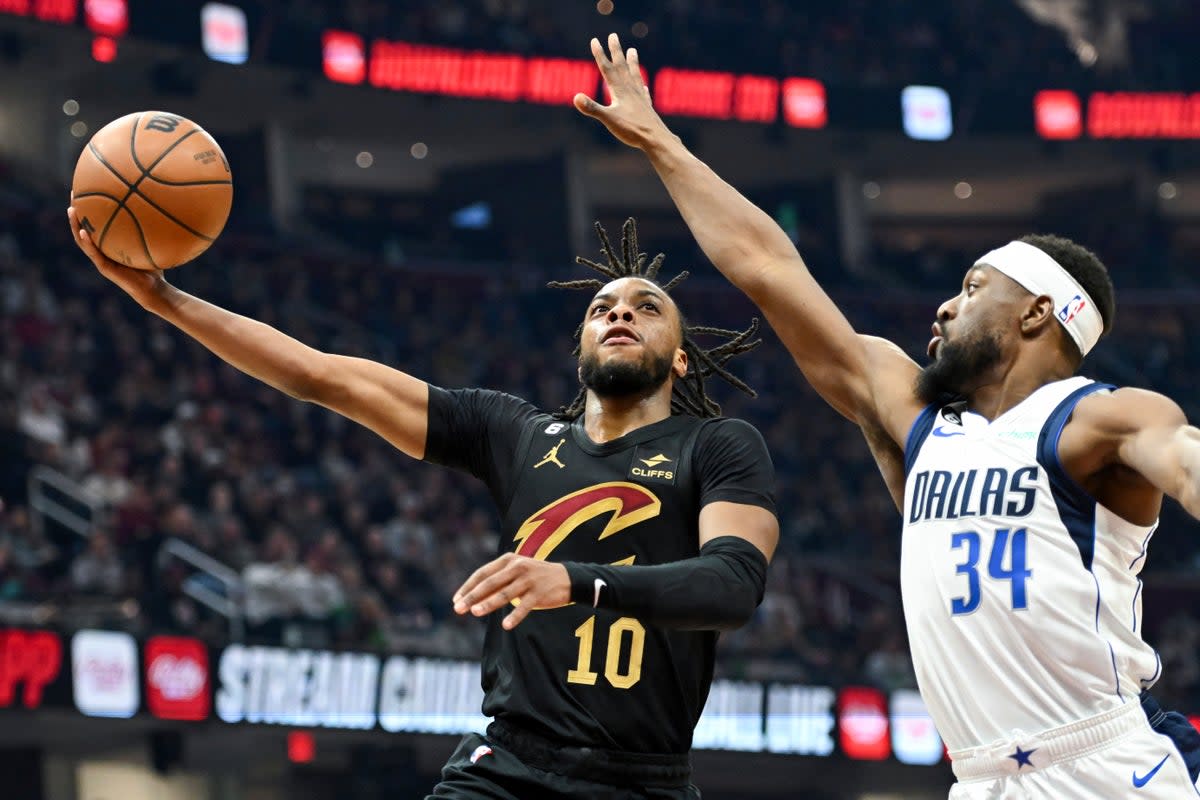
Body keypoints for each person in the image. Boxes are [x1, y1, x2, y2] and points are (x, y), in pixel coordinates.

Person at [577, 33, 1200, 800]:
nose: (945, 304)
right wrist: (661, 144)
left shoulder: (1096, 418)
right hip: (978, 776)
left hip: (1110, 765)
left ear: (1039, 312)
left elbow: (1182, 452)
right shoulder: (914, 414)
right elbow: (771, 270)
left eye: (974, 287)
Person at [67, 208, 779, 799]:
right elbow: (325, 377)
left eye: (646, 307)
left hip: (643, 780)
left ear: (682, 358)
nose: (620, 311)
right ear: (581, 346)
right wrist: (163, 299)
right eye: (601, 308)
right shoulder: (518, 435)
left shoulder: (717, 446)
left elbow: (733, 584)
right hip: (511, 768)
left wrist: (577, 580)